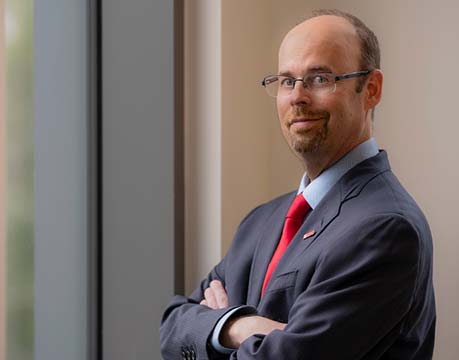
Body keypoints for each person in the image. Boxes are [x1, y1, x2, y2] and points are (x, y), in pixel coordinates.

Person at [160, 9, 436, 360]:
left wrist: (215, 327)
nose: (297, 97)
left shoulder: (385, 228)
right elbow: (172, 326)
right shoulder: (260, 222)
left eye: (320, 79)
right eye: (287, 81)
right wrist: (240, 325)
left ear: (371, 89)